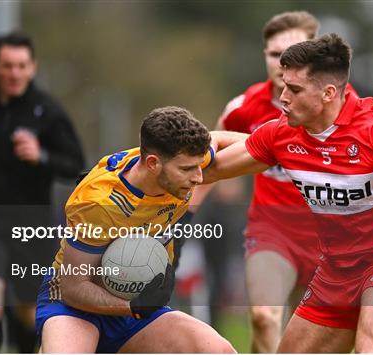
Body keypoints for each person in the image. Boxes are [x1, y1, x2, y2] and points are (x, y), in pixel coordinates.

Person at [203, 33, 373, 352]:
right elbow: (211, 170)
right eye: (282, 85)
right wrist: (148, 164)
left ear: (329, 93)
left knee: (372, 347)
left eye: (295, 89)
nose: (283, 97)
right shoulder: (281, 134)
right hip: (334, 272)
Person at [35, 106, 237, 353]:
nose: (198, 177)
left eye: (198, 166)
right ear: (153, 164)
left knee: (219, 350)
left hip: (136, 307)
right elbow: (73, 288)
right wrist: (134, 307)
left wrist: (285, 139)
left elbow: (229, 142)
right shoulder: (98, 202)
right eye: (187, 170)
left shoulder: (180, 159)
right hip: (75, 306)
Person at [216, 11, 357, 352]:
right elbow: (208, 155)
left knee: (308, 337)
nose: (282, 63)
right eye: (273, 54)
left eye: (292, 52)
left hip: (331, 238)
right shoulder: (245, 108)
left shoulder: (341, 104)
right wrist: (185, 213)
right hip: (273, 230)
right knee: (265, 317)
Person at [0, 31, 84, 353]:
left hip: (31, 223)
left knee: (28, 312)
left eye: (21, 65)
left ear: (32, 67)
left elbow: (76, 165)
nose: (14, 73)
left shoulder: (47, 112)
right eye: (7, 66)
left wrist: (42, 156)